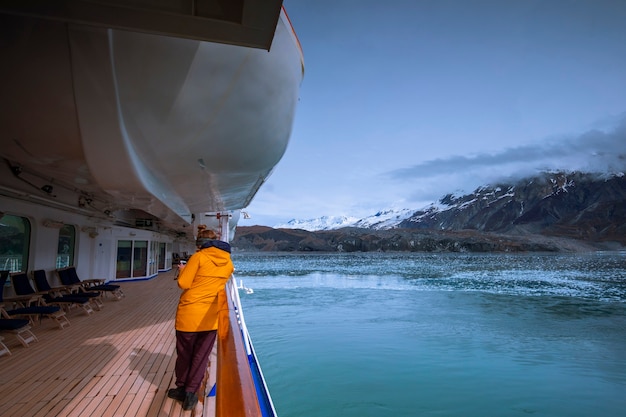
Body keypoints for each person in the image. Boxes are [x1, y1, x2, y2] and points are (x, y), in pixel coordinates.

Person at [167, 225, 234, 410]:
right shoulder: (228, 263)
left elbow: (183, 283)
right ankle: (191, 394)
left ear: (201, 244)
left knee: (185, 354)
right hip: (211, 317)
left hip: (189, 315)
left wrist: (183, 269)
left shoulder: (198, 257)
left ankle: (181, 388)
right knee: (200, 357)